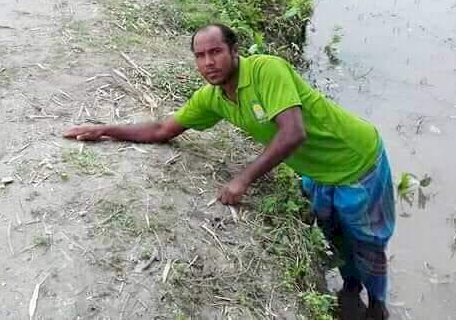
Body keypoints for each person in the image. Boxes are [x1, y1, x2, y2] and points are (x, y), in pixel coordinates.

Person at [64, 24, 395, 319]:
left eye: (216, 52)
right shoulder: (214, 98)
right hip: (320, 173)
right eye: (200, 56)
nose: (208, 62)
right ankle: (351, 289)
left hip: (357, 162)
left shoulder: (267, 70)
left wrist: (243, 178)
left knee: (367, 243)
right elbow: (162, 129)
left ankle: (378, 307)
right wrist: (106, 129)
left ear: (234, 51)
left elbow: (293, 132)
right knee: (333, 233)